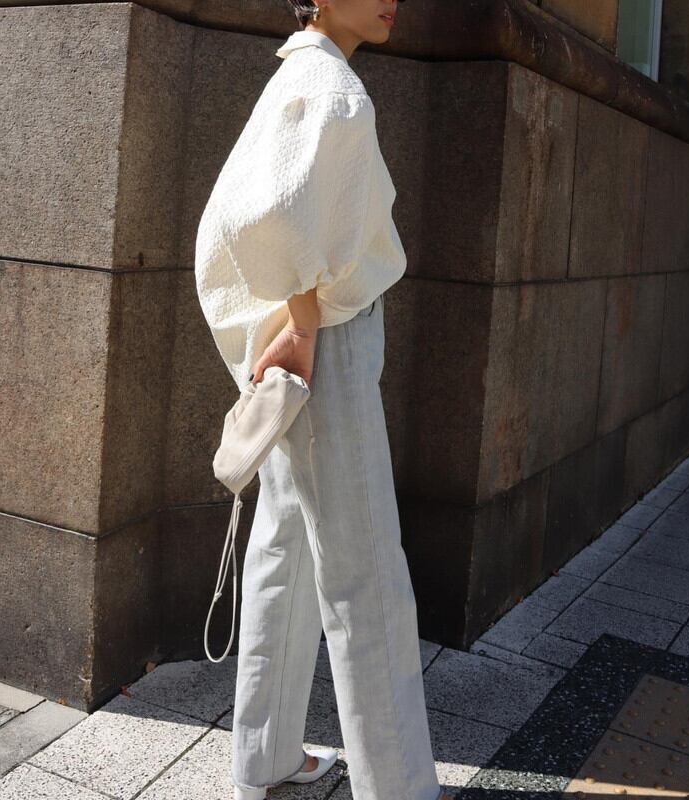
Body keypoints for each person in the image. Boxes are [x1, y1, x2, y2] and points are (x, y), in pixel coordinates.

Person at [194, 2, 453, 799]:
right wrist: (305, 322)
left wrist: (294, 319)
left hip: (306, 338)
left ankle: (265, 758)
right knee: (366, 570)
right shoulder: (334, 88)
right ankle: (399, 788)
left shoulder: (300, 75)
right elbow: (264, 215)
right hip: (327, 342)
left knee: (287, 547)